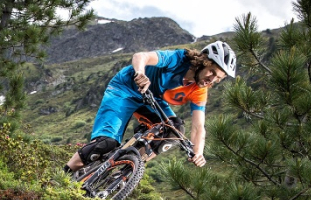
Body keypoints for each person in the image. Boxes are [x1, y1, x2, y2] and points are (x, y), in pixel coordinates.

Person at [64, 40, 236, 173]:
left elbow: (199, 127)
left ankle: (127, 168)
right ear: (204, 62)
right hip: (125, 89)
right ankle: (63, 175)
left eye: (218, 78)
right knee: (105, 143)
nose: (212, 80)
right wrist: (140, 73)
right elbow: (141, 56)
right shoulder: (178, 59)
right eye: (212, 72)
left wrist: (198, 152)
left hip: (151, 99)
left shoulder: (199, 89)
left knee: (174, 129)